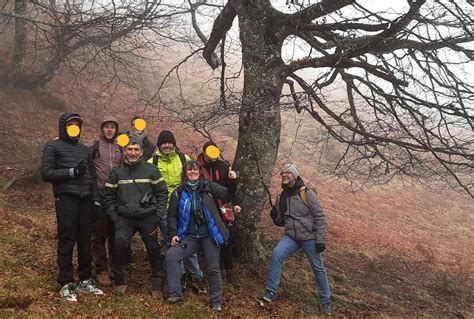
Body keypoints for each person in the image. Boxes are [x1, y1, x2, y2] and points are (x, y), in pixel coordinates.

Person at [41, 112, 104, 302]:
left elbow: (92, 176)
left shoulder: (85, 150)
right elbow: (46, 172)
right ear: (64, 126)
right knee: (67, 238)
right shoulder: (53, 146)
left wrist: (95, 200)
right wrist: (71, 172)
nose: (74, 128)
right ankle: (66, 281)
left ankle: (85, 278)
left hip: (86, 200)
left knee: (85, 240)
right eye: (71, 125)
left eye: (77, 125)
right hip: (66, 198)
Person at [166, 160, 239, 311]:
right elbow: (172, 216)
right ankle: (175, 294)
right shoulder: (178, 193)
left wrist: (232, 181)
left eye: (195, 170)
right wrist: (173, 233)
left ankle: (216, 302)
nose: (192, 172)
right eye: (189, 170)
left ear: (200, 172)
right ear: (185, 173)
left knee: (213, 268)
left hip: (209, 236)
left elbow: (228, 195)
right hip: (189, 237)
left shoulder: (209, 188)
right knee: (172, 256)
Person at [260, 164, 332, 315]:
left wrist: (320, 240)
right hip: (291, 237)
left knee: (318, 268)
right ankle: (270, 292)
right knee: (276, 254)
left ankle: (325, 302)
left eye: (288, 173)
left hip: (310, 238)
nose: (285, 175)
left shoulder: (307, 193)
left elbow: (320, 216)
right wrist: (275, 216)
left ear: (294, 175)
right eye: (283, 173)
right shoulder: (283, 196)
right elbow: (281, 221)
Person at [103, 136, 168, 297]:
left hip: (148, 217)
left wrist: (158, 214)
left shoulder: (151, 170)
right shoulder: (116, 172)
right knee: (118, 245)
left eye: (136, 150)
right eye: (130, 149)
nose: (132, 152)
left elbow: (162, 193)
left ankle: (158, 283)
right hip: (124, 218)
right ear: (125, 151)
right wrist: (114, 216)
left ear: (141, 152)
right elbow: (108, 196)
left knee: (153, 249)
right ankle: (119, 280)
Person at [148, 130, 205, 293]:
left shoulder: (183, 159)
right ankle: (179, 276)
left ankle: (195, 276)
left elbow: (197, 176)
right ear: (159, 145)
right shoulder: (152, 162)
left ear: (174, 144)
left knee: (190, 241)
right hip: (164, 209)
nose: (167, 145)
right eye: (163, 143)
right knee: (172, 243)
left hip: (185, 206)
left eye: (169, 142)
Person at [197, 141, 241, 285]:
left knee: (226, 238)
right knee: (212, 239)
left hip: (222, 207)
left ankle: (229, 270)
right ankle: (218, 271)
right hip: (205, 207)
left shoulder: (223, 167)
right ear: (204, 152)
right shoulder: (197, 167)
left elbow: (230, 189)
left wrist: (235, 203)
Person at [88, 116, 123, 287]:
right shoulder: (94, 146)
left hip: (116, 196)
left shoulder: (120, 148)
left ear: (116, 130)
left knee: (115, 234)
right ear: (102, 129)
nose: (109, 130)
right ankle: (101, 269)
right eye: (107, 127)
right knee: (100, 234)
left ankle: (115, 268)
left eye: (112, 127)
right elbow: (76, 150)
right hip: (100, 195)